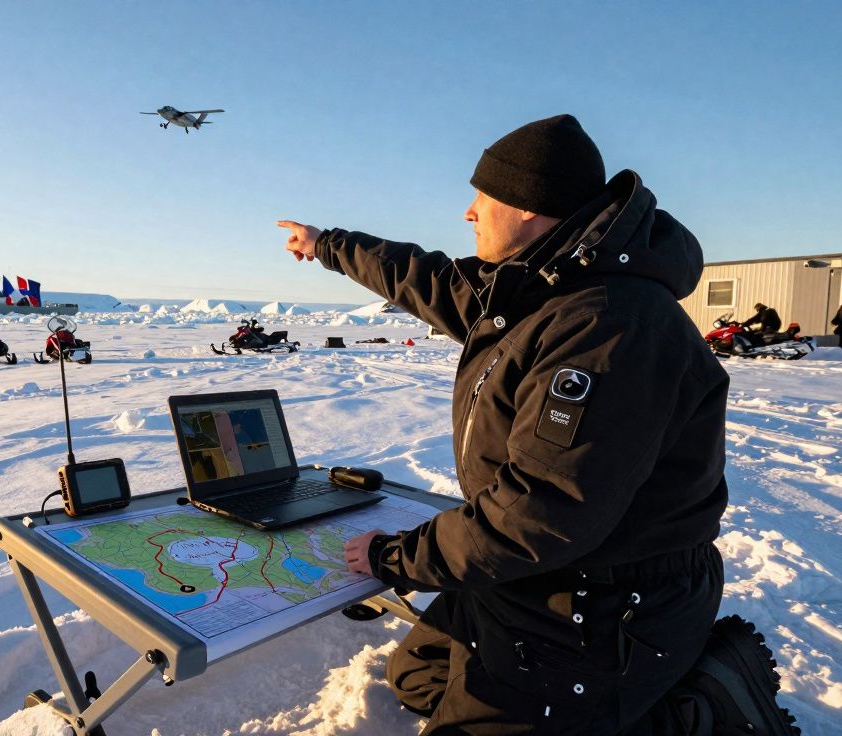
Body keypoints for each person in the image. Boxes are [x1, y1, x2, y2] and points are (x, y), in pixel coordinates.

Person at [278, 115, 796, 734]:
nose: (469, 212)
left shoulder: (606, 326)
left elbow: (542, 511)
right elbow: (426, 279)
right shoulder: (539, 291)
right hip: (535, 573)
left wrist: (398, 557)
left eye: (482, 197)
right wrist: (328, 245)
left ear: (528, 205)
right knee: (419, 677)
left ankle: (696, 709)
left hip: (602, 604)